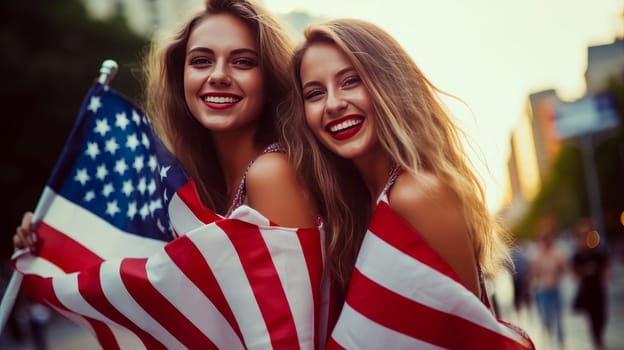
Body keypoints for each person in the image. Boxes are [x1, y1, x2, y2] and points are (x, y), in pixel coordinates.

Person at [14, 0, 318, 247]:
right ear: (179, 78)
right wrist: (48, 243)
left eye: (242, 62)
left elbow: (289, 315)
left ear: (270, 80)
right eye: (201, 61)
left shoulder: (272, 172)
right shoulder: (185, 181)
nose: (218, 75)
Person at [279, 17, 512, 316]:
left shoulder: (418, 194)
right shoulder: (353, 207)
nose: (333, 104)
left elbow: (468, 335)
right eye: (315, 93)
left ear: (388, 84)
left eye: (351, 81)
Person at [571, 217, 612, 350]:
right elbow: (574, 271)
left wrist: (606, 274)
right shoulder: (578, 254)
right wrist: (585, 271)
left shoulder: (598, 251)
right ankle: (597, 341)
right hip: (587, 291)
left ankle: (599, 337)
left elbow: (606, 265)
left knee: (602, 316)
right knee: (592, 318)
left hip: (599, 288)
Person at [528, 216, 567, 348]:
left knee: (559, 317)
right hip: (543, 290)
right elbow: (534, 272)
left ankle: (561, 343)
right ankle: (549, 335)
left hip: (555, 288)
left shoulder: (557, 251)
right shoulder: (537, 253)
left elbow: (563, 268)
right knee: (547, 318)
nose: (546, 242)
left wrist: (558, 266)